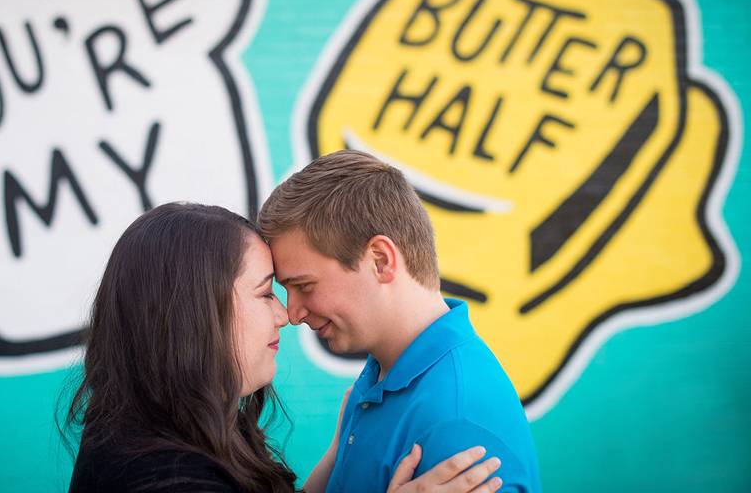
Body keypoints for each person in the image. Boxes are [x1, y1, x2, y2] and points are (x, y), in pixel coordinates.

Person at [63, 202, 504, 492]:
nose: (285, 315)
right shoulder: (165, 480)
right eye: (263, 294)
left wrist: (338, 454)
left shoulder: (166, 423)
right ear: (194, 316)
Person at [258, 150, 542, 492]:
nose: (293, 313)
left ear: (380, 260)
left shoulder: (456, 420)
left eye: (304, 286)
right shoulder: (386, 373)